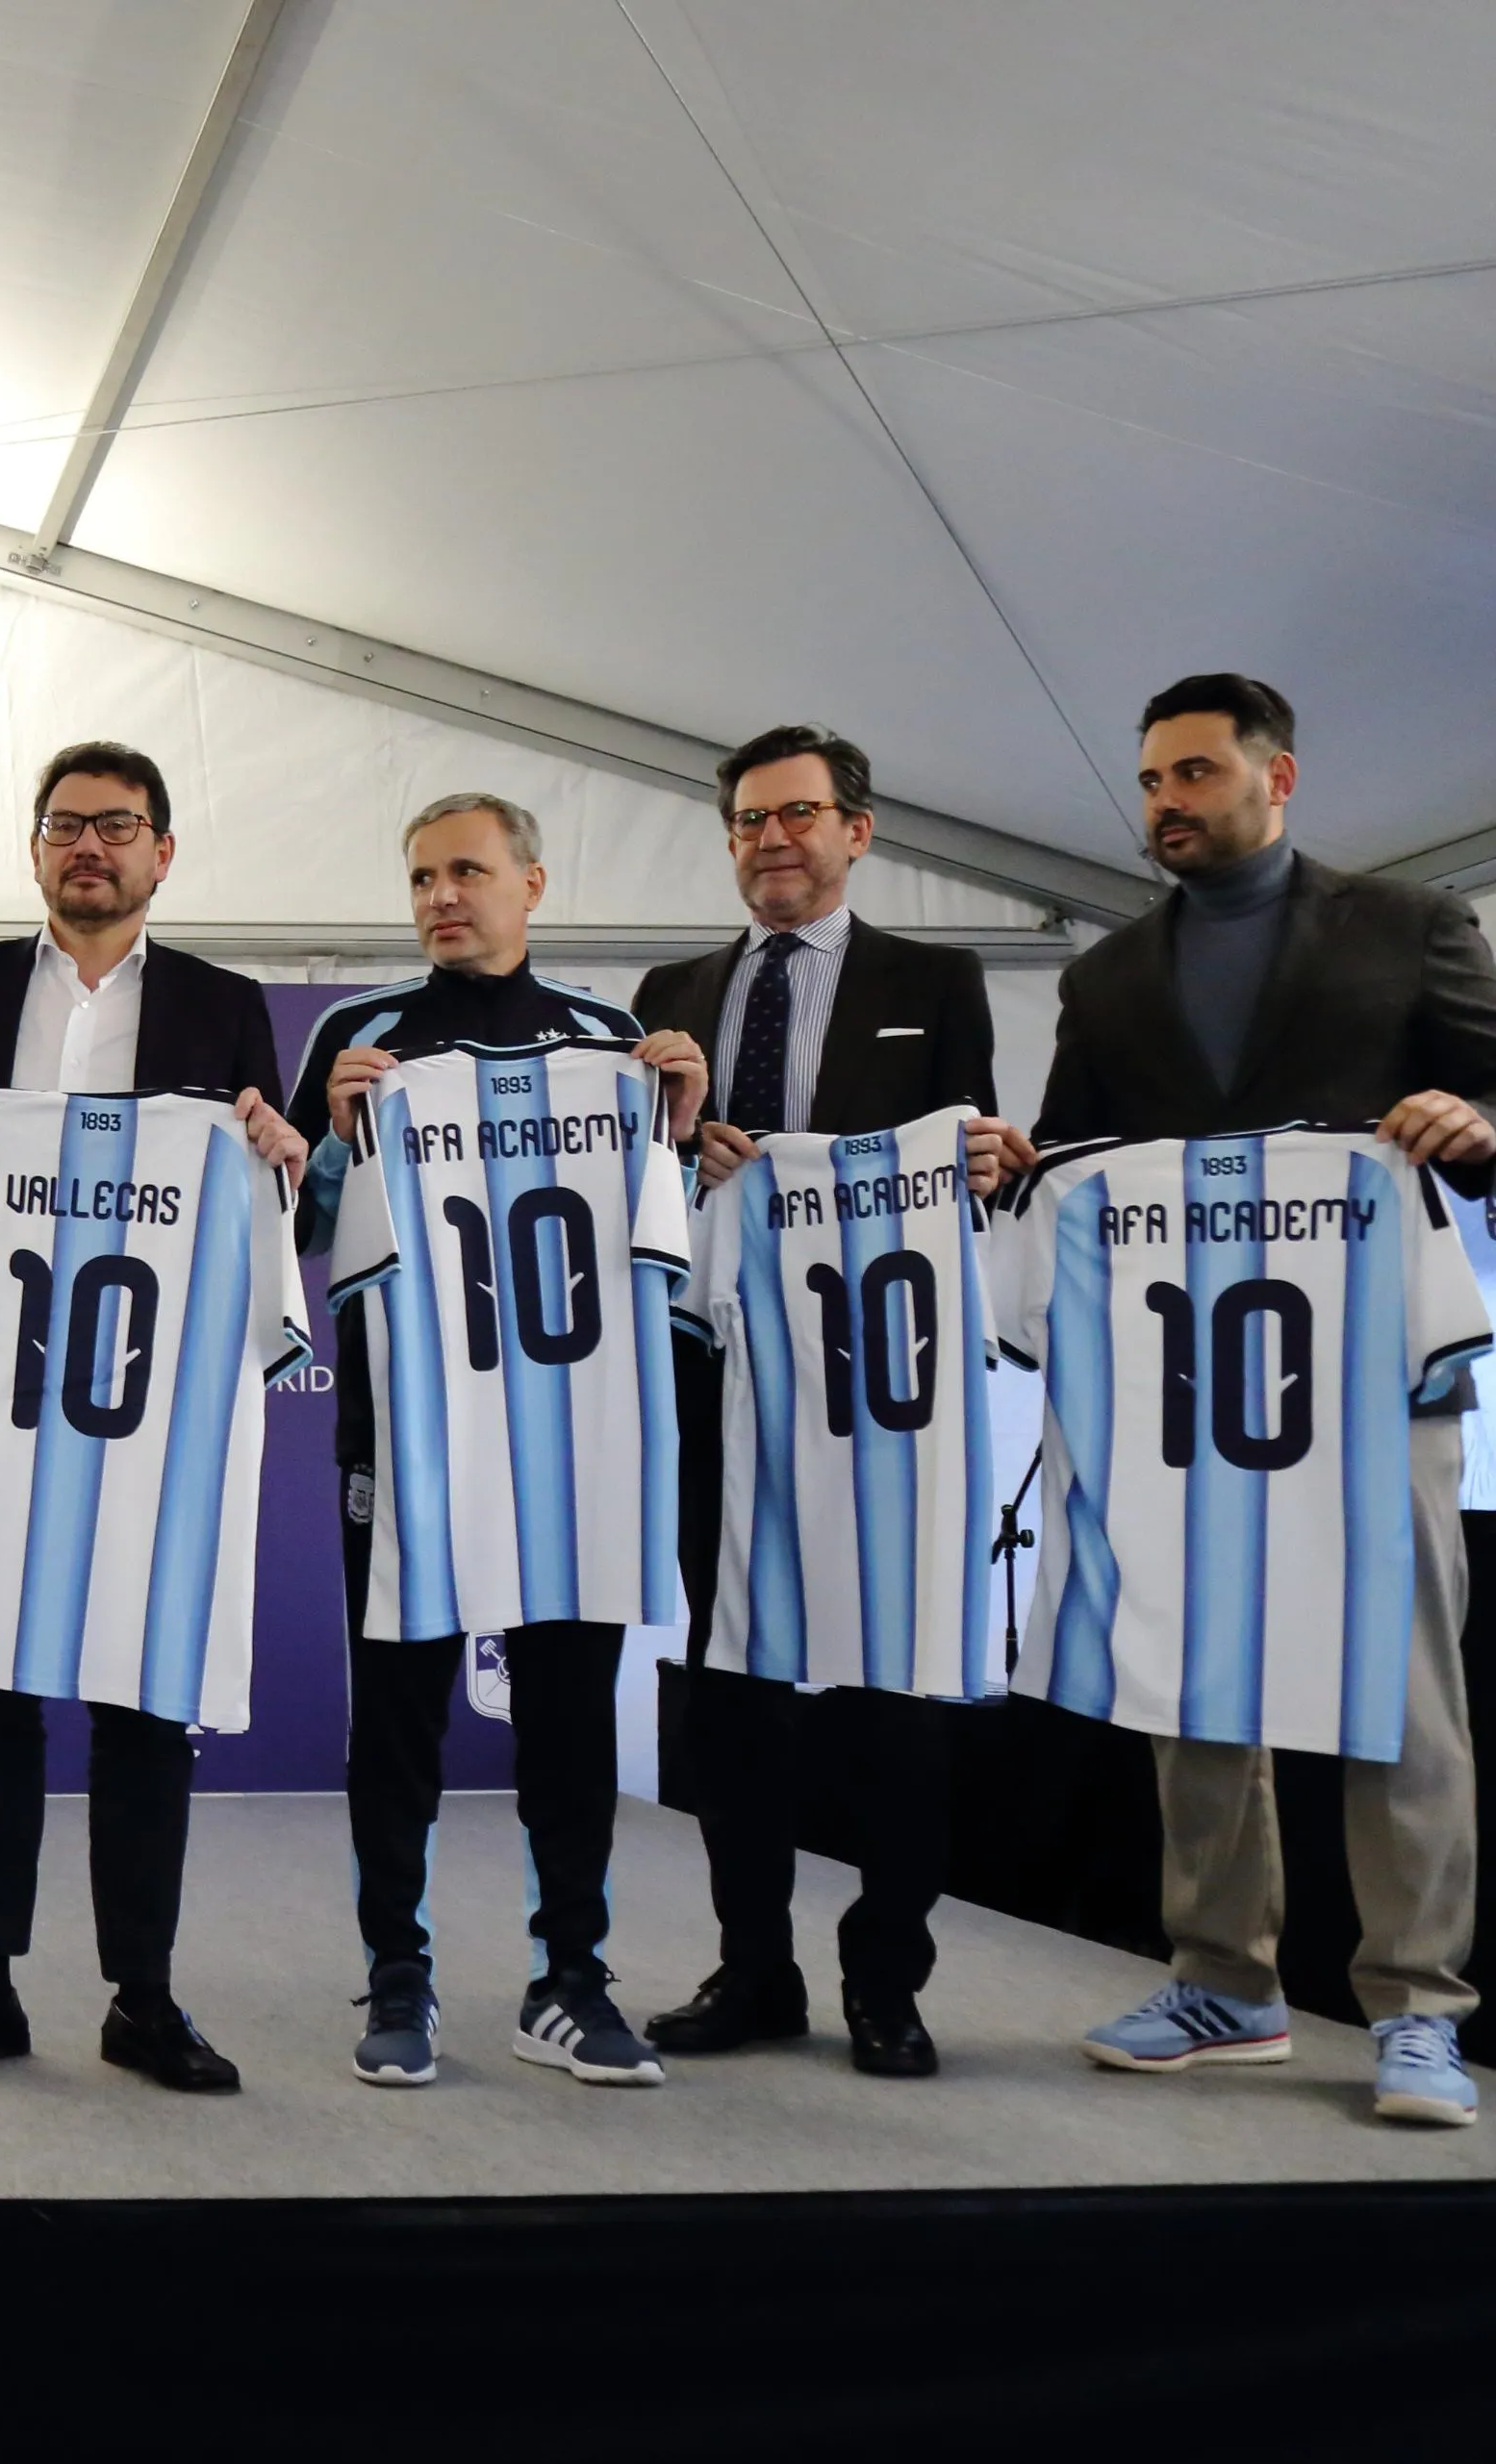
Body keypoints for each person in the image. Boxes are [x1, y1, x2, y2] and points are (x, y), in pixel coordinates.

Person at [1030, 674, 1496, 2126]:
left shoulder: (1408, 925)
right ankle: (1224, 1979)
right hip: (1186, 1391)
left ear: (1276, 779)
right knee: (1196, 1684)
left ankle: (1419, 2007)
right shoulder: (1105, 976)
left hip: (1374, 1379)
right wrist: (1012, 1166)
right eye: (1153, 780)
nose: (1166, 802)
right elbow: (1071, 1157)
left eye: (1195, 775)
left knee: (1405, 1700)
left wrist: (1477, 1129)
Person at [0, 742, 307, 2094]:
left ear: (164, 852)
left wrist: (279, 1150)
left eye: (117, 827)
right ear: (35, 850)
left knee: (145, 1700)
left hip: (150, 1413)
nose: (88, 847)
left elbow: (261, 1160)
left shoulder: (226, 1001)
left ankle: (143, 1995)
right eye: (64, 826)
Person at [285, 792, 708, 2089]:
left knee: (570, 1707)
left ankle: (569, 1974)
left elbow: (667, 1228)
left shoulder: (616, 1037)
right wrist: (331, 1145)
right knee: (400, 1710)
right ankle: (396, 1968)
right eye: (420, 878)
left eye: (467, 870)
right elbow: (295, 1224)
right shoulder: (360, 1034)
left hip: (574, 1427)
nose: (440, 897)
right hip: (406, 1427)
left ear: (534, 880)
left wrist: (679, 1127)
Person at [630, 724, 1011, 2079]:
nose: (770, 839)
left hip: (882, 1391)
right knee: (732, 1679)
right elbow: (639, 1192)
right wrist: (686, 1151)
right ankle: (755, 1964)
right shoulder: (672, 987)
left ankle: (886, 1977)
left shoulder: (937, 976)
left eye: (796, 815)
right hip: (721, 1378)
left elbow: (975, 1167)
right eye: (746, 820)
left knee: (896, 1685)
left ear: (859, 830)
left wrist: (993, 1162)